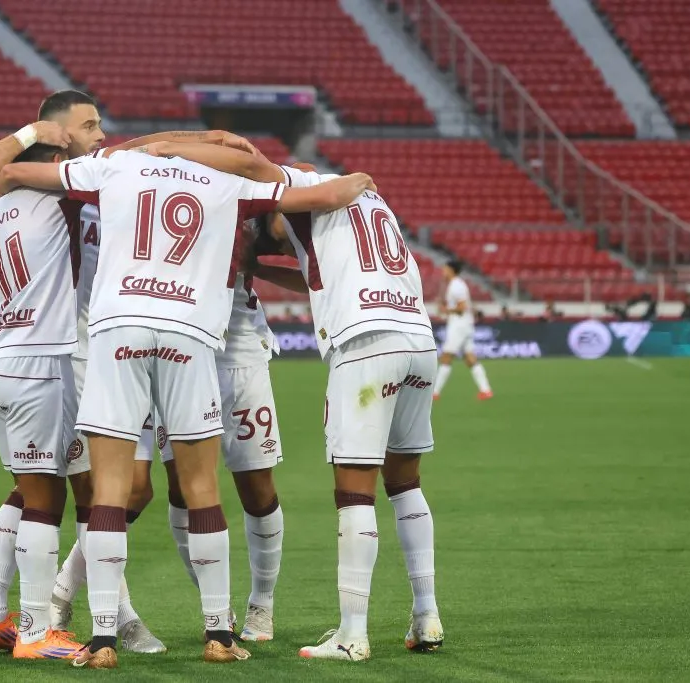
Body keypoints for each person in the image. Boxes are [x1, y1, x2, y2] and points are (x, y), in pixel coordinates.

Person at [0, 147, 372, 668]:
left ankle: (102, 637)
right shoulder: (227, 185)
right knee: (201, 487)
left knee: (109, 486)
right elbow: (325, 193)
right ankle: (218, 631)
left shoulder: (116, 165)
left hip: (118, 326)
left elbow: (15, 173)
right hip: (189, 332)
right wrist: (361, 181)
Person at [0, 90, 260, 654]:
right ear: (58, 136)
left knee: (58, 488)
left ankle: (1, 610)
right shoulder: (72, 190)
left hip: (25, 347)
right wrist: (200, 142)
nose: (101, 133)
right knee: (88, 493)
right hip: (68, 348)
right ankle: (52, 620)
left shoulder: (7, 199)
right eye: (89, 125)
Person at [142, 142, 445, 661]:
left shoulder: (300, 189)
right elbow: (312, 275)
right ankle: (427, 615)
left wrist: (161, 149)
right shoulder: (368, 205)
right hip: (417, 341)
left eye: (270, 227)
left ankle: (352, 634)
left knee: (354, 493)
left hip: (366, 347)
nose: (272, 233)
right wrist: (257, 266)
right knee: (406, 484)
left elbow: (244, 161)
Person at [0, 140, 85, 660]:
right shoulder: (59, 198)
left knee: (23, 488)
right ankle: (37, 632)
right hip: (36, 361)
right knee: (46, 500)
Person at [156, 222, 286, 642]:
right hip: (178, 350)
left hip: (240, 351)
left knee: (256, 485)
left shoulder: (240, 183)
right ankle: (216, 605)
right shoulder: (162, 177)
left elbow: (293, 191)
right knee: (180, 486)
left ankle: (262, 604)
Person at [431, 261, 492, 400]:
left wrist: (445, 309)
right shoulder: (456, 285)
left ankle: (435, 392)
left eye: (445, 269)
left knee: (446, 356)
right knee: (470, 358)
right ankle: (486, 390)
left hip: (459, 325)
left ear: (451, 270)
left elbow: (462, 307)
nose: (443, 272)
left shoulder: (456, 286)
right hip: (465, 324)